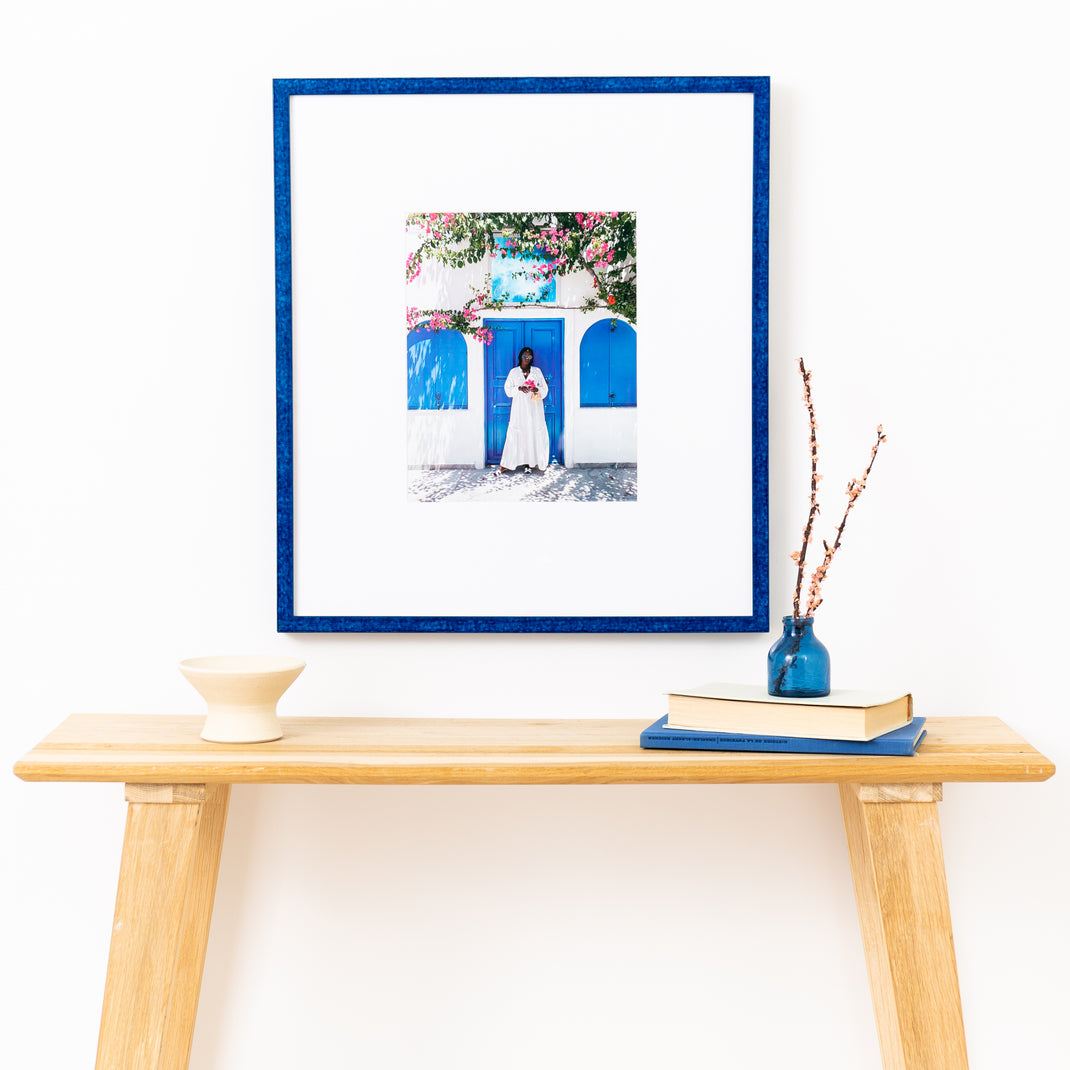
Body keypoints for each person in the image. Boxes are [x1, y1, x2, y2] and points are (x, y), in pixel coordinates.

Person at [496, 346, 550, 475]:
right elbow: (508, 390)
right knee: (516, 432)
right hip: (519, 408)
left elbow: (544, 389)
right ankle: (507, 463)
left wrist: (537, 389)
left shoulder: (536, 371)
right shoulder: (514, 372)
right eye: (524, 356)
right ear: (520, 357)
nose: (527, 358)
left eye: (529, 356)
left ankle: (530, 463)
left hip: (534, 408)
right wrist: (519, 388)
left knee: (532, 432)